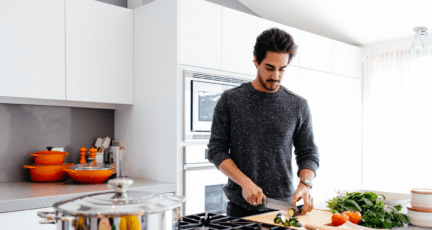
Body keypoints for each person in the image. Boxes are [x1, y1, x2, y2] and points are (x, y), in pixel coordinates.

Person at [207, 28, 320, 218]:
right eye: (269, 67)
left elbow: (308, 152)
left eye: (282, 68)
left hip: (283, 208)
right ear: (256, 61)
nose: (276, 75)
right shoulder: (231, 100)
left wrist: (305, 183)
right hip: (240, 210)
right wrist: (245, 182)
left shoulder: (298, 105)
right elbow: (216, 150)